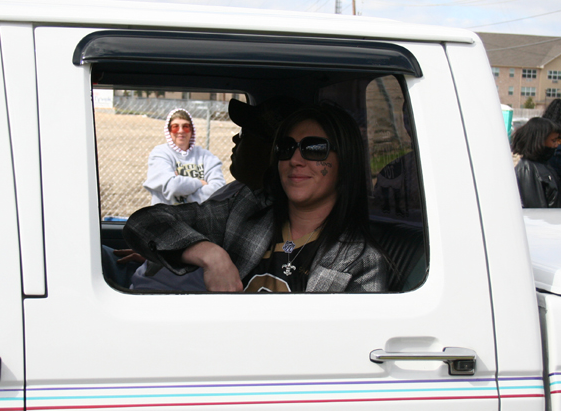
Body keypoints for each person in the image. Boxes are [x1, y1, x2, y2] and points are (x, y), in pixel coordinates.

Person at [123, 102, 388, 293]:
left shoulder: (360, 260)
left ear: (345, 162)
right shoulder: (244, 210)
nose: (295, 160)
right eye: (285, 148)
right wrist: (209, 254)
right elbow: (144, 222)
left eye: (314, 149)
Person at [112, 96, 302, 292]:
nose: (236, 138)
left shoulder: (245, 202)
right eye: (174, 127)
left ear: (272, 149)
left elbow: (187, 188)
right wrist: (180, 251)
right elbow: (153, 212)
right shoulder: (241, 195)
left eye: (246, 133)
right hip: (146, 275)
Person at [143, 108, 225, 205]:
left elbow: (219, 190)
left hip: (197, 218)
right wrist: (200, 183)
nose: (181, 131)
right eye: (175, 127)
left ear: (191, 130)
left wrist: (182, 193)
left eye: (186, 127)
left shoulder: (205, 156)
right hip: (166, 217)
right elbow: (172, 186)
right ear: (169, 131)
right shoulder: (160, 154)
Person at [511, 117, 561, 208]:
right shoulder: (527, 168)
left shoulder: (543, 164)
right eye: (553, 141)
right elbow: (535, 208)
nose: (556, 145)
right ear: (539, 141)